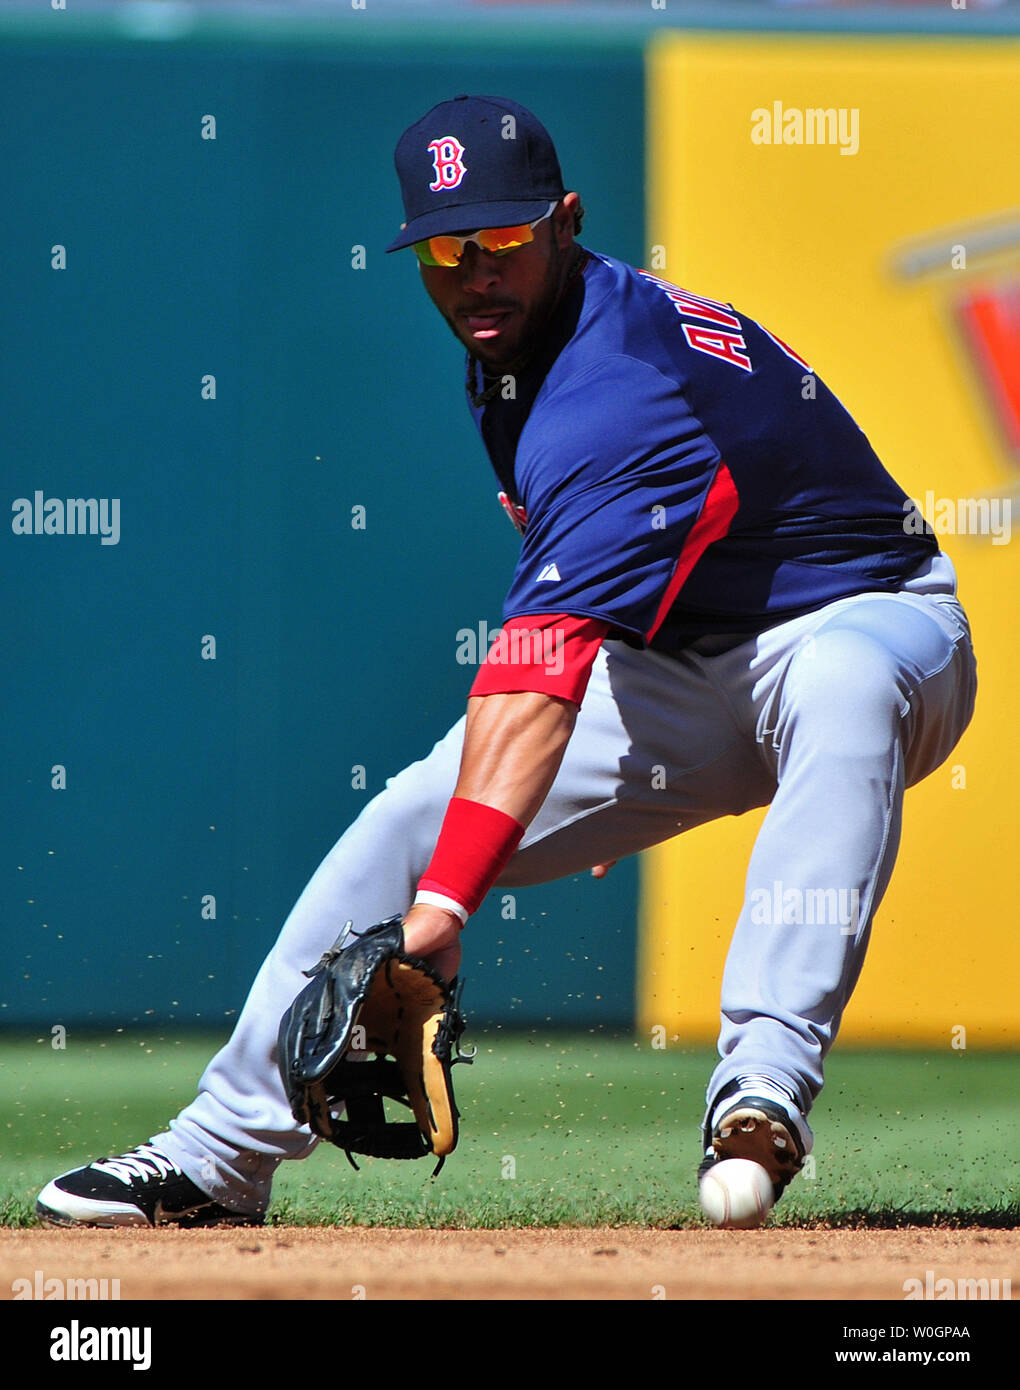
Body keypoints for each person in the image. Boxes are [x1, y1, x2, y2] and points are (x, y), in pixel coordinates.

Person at [37, 95, 976, 1230]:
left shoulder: (613, 388)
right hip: (674, 672)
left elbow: (539, 668)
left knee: (843, 687)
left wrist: (448, 904)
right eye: (444, 245)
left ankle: (762, 1086)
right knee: (409, 819)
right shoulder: (520, 344)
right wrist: (540, 815)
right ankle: (219, 1151)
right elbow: (567, 654)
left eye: (503, 238)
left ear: (567, 222)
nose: (475, 271)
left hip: (869, 618)